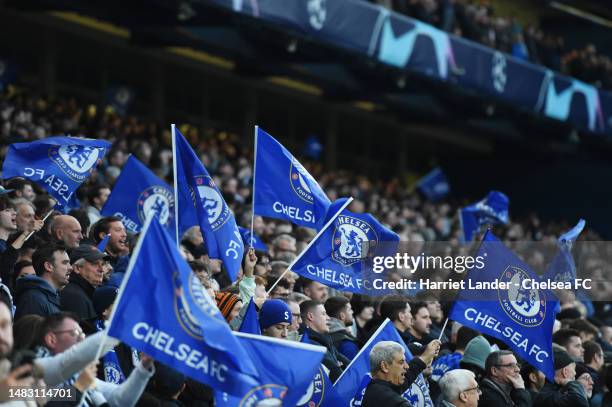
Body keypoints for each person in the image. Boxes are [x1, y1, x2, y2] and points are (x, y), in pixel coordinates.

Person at [361, 339, 440, 406]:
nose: (407, 366)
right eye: (401, 362)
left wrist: (425, 358)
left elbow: (409, 375)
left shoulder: (378, 388)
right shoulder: (385, 397)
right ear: (384, 366)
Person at [14, 243, 71, 320]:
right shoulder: (33, 299)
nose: (70, 268)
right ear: (48, 266)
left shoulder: (46, 296)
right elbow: (30, 331)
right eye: (65, 263)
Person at [60, 245, 108, 329]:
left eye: (102, 264)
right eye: (95, 264)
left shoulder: (85, 293)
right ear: (77, 268)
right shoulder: (74, 297)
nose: (101, 269)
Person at [300, 300, 349, 382]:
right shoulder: (311, 345)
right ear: (310, 316)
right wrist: (339, 365)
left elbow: (348, 364)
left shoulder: (325, 340)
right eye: (323, 314)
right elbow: (338, 375)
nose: (328, 318)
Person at [325, 296, 360, 360]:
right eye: (349, 309)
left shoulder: (323, 335)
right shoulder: (346, 343)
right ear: (342, 316)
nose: (352, 312)